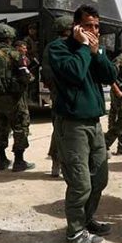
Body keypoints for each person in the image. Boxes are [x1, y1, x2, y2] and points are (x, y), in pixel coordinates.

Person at [48, 4, 117, 243]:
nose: (94, 30)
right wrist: (85, 47)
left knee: (99, 179)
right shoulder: (59, 49)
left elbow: (110, 76)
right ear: (76, 27)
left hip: (94, 123)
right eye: (88, 26)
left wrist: (97, 54)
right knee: (80, 183)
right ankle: (75, 232)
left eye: (97, 26)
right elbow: (75, 73)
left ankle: (87, 220)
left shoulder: (94, 49)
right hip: (72, 125)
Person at [0, 24, 35, 172]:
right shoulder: (16, 55)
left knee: (0, 127)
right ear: (10, 38)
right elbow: (26, 76)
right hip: (13, 99)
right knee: (20, 127)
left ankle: (2, 160)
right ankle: (19, 161)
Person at [42, 16, 74, 177]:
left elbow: (46, 74)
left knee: (58, 128)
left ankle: (56, 163)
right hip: (71, 94)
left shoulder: (50, 47)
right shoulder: (71, 46)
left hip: (57, 94)